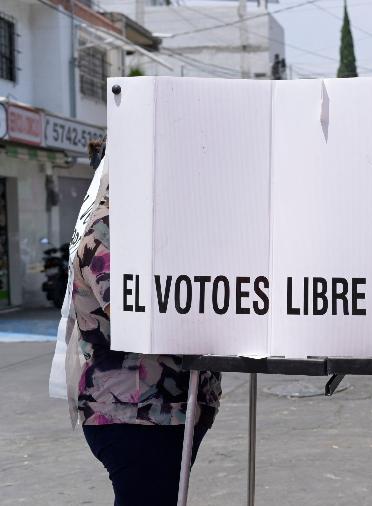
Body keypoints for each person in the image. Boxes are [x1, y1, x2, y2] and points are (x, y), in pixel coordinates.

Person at [74, 139, 222, 506]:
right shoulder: (109, 227)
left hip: (165, 408)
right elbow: (133, 311)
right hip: (134, 411)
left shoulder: (151, 221)